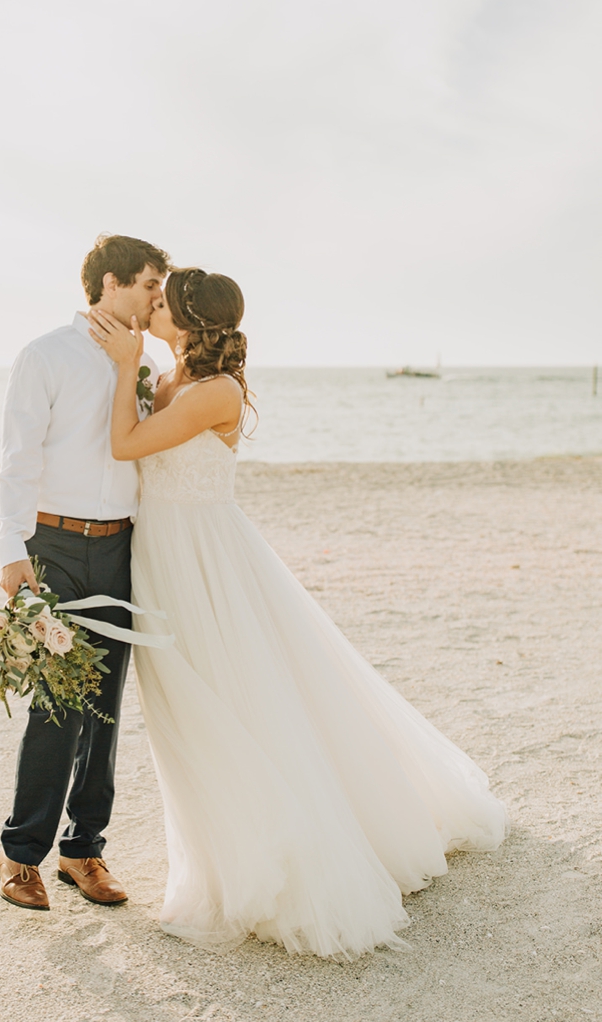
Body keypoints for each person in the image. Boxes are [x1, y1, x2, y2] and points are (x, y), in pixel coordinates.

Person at [88, 268, 507, 958]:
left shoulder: (213, 391)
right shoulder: (170, 378)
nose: (151, 310)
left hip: (205, 561)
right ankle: (225, 852)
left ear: (190, 320)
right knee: (182, 706)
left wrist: (126, 365)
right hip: (163, 555)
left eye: (162, 304)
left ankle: (269, 860)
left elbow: (127, 445)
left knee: (227, 700)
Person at [0, 233, 169, 911]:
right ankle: (19, 856)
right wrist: (12, 548)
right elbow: (19, 456)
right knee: (56, 704)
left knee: (105, 706)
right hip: (55, 545)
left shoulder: (145, 362)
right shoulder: (45, 355)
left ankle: (83, 847)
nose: (159, 297)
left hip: (121, 545)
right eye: (151, 283)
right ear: (111, 283)